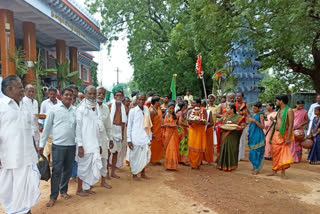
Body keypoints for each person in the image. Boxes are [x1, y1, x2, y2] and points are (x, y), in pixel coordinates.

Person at [0, 75, 40, 214]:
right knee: (10, 192)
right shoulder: (1, 107)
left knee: (27, 189)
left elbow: (30, 129)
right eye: (20, 87)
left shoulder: (25, 105)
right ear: (9, 89)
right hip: (9, 159)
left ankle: (26, 211)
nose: (22, 90)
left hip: (27, 157)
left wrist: (35, 147)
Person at [39, 87, 76, 207]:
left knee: (67, 171)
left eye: (71, 95)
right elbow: (47, 128)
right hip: (58, 146)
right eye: (66, 95)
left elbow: (78, 129)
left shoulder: (75, 110)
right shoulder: (53, 110)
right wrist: (41, 144)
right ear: (61, 96)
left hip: (71, 145)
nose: (69, 97)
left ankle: (63, 191)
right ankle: (53, 196)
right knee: (56, 172)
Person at [75, 86, 102, 196]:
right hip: (84, 144)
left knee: (91, 166)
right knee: (83, 167)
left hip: (94, 143)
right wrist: (80, 145)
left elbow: (97, 128)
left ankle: (87, 188)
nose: (92, 96)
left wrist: (99, 144)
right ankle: (79, 189)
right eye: (90, 94)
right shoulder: (80, 109)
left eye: (94, 94)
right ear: (85, 94)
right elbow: (78, 128)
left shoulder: (96, 107)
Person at [127, 93, 152, 180]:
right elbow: (129, 126)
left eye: (143, 99)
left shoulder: (146, 109)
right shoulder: (132, 111)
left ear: (145, 100)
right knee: (135, 156)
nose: (141, 101)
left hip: (145, 137)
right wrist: (129, 140)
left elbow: (148, 125)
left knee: (145, 156)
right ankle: (134, 174)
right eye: (139, 99)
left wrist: (150, 136)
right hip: (135, 138)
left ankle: (143, 173)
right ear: (136, 100)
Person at [268, 94, 294, 178]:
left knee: (283, 152)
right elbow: (278, 121)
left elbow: (290, 125)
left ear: (281, 101)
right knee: (275, 153)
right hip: (276, 133)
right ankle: (274, 170)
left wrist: (288, 137)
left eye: (277, 101)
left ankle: (283, 172)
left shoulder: (289, 110)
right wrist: (274, 121)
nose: (276, 102)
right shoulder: (279, 110)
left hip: (283, 134)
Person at [216, 104, 246, 171]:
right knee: (223, 149)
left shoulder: (239, 117)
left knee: (232, 150)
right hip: (224, 135)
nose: (226, 110)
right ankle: (222, 165)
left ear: (232, 110)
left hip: (233, 136)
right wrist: (220, 125)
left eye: (228, 108)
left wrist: (239, 128)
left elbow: (243, 126)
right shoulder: (225, 117)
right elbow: (217, 122)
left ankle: (231, 166)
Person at [39, 87, 61, 164]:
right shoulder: (44, 103)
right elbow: (41, 114)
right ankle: (46, 160)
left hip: (56, 127)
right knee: (47, 145)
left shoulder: (60, 103)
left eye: (54, 94)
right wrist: (40, 125)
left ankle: (53, 160)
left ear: (56, 94)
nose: (52, 96)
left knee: (55, 144)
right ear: (48, 94)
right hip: (47, 126)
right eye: (51, 94)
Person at [108, 89, 127, 178]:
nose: (119, 97)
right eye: (117, 95)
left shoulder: (124, 108)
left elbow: (123, 123)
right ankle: (106, 173)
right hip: (111, 130)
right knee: (108, 152)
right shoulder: (109, 106)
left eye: (120, 95)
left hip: (119, 130)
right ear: (114, 96)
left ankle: (113, 172)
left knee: (116, 152)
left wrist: (122, 134)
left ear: (122, 96)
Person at [96, 87, 112, 189]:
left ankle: (103, 181)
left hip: (103, 138)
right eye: (99, 93)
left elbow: (108, 126)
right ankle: (89, 183)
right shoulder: (90, 107)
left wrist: (110, 139)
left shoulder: (106, 108)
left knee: (104, 160)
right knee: (92, 161)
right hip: (92, 139)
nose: (101, 95)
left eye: (103, 94)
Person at [188, 98, 207, 169]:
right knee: (192, 148)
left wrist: (200, 121)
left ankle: (198, 163)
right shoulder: (190, 111)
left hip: (200, 132)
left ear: (198, 104)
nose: (192, 105)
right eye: (192, 103)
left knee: (199, 147)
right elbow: (189, 122)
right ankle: (192, 164)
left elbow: (205, 121)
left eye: (194, 103)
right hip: (192, 131)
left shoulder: (203, 111)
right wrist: (192, 121)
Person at [247, 102, 265, 175]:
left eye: (255, 108)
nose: (253, 109)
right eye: (253, 108)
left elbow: (262, 126)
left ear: (259, 108)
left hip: (258, 135)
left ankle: (257, 168)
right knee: (252, 152)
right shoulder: (254, 114)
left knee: (256, 152)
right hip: (252, 135)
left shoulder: (260, 115)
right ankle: (255, 166)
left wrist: (254, 121)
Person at [162, 102, 180, 170]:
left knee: (172, 148)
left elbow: (177, 125)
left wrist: (170, 125)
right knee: (168, 149)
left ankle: (173, 165)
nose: (171, 110)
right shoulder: (165, 116)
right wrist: (165, 125)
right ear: (167, 108)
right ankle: (168, 165)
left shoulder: (176, 116)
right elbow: (162, 125)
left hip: (173, 134)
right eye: (170, 108)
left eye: (172, 108)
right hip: (167, 133)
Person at [22, 84, 40, 149]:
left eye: (33, 91)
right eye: (29, 91)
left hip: (35, 127)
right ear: (25, 92)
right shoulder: (22, 101)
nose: (31, 93)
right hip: (27, 127)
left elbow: (36, 114)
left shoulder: (35, 102)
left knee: (37, 145)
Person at [149, 96, 164, 165]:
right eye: (159, 101)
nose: (160, 103)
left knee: (158, 146)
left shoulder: (157, 109)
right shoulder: (152, 111)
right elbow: (150, 123)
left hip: (159, 131)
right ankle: (151, 160)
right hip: (154, 131)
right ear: (156, 102)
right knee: (153, 146)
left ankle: (156, 159)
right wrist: (151, 133)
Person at [235, 92, 249, 161]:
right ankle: (236, 155)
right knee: (236, 139)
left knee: (242, 140)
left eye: (239, 96)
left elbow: (248, 113)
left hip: (242, 123)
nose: (237, 98)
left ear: (242, 97)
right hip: (235, 123)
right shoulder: (234, 104)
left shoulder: (245, 104)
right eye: (237, 96)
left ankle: (240, 156)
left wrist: (245, 110)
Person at [203, 100, 214, 164]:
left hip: (208, 130)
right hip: (200, 131)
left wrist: (205, 125)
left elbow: (212, 123)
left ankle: (208, 159)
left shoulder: (208, 112)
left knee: (208, 145)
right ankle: (200, 159)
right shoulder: (196, 112)